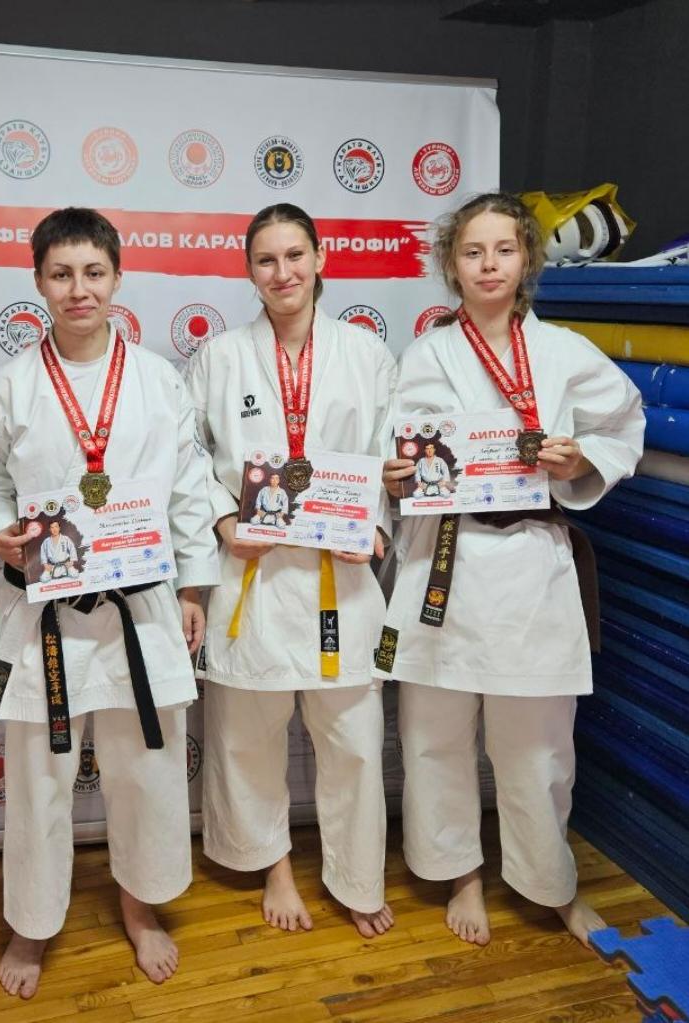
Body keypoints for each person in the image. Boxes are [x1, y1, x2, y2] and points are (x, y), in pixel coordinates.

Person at [380, 191, 644, 948]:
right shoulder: (425, 354)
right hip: (445, 560)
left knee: (538, 747)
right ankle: (458, 870)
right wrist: (394, 474)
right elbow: (395, 449)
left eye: (503, 249)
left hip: (530, 561)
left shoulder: (562, 351)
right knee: (433, 735)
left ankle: (550, 884)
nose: (488, 264)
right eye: (472, 252)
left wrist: (580, 457)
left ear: (526, 257)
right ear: (450, 265)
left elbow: (623, 421)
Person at [0, 207, 218, 1000]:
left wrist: (192, 586)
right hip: (42, 609)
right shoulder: (7, 388)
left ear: (116, 276)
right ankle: (32, 920)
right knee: (38, 775)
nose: (78, 289)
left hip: (137, 605)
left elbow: (189, 488)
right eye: (61, 274)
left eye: (93, 272)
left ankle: (140, 906)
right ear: (38, 280)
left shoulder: (157, 380)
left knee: (145, 767)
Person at [185, 203, 397, 938]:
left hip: (340, 573)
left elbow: (386, 450)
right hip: (255, 574)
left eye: (295, 255)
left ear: (320, 258)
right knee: (247, 736)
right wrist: (222, 522)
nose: (283, 272)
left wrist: (372, 523)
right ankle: (272, 864)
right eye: (266, 260)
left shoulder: (366, 353)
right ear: (249, 271)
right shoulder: (218, 357)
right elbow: (189, 456)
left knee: (354, 743)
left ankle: (357, 876)